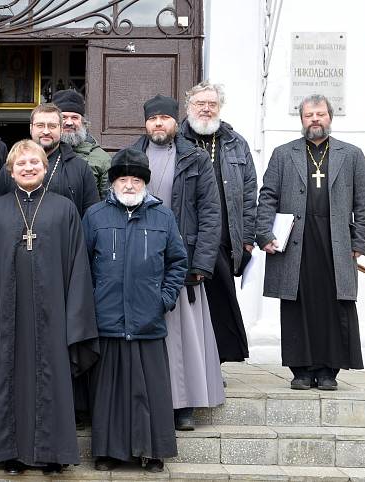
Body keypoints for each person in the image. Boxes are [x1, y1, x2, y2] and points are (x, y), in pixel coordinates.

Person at [0, 139, 99, 476]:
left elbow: (78, 267)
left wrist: (74, 317)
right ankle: (9, 454)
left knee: (52, 379)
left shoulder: (64, 209)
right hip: (5, 317)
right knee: (7, 377)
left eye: (34, 162)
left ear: (45, 167)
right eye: (21, 164)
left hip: (53, 315)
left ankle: (53, 455)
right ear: (10, 171)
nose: (28, 168)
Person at [256, 94, 365, 390]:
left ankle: (328, 371)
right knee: (297, 304)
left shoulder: (352, 154)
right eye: (309, 115)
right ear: (302, 120)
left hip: (337, 243)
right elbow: (267, 196)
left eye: (320, 114)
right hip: (296, 242)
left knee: (334, 305)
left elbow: (364, 203)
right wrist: (264, 234)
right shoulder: (284, 154)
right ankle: (301, 371)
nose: (315, 120)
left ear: (330, 118)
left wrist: (360, 241)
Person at [83, 147, 187, 473]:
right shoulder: (95, 215)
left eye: (136, 179)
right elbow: (82, 266)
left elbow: (177, 262)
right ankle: (106, 452)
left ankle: (152, 452)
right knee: (109, 394)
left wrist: (164, 299)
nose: (129, 185)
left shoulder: (163, 216)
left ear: (145, 183)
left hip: (148, 320)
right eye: (123, 179)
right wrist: (92, 303)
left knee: (150, 392)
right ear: (113, 183)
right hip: (108, 319)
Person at [130, 95, 224, 430]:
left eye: (164, 118)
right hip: (138, 262)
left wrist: (201, 263)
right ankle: (149, 401)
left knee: (183, 337)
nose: (158, 124)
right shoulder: (130, 157)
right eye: (152, 118)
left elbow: (212, 215)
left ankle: (184, 405)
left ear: (175, 122)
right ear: (145, 123)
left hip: (180, 262)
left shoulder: (195, 159)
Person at [179, 81, 257, 365]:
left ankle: (215, 365)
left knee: (220, 303)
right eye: (200, 104)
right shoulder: (178, 140)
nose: (206, 109)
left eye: (212, 104)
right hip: (185, 237)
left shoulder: (237, 143)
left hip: (224, 238)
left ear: (219, 108)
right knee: (186, 305)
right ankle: (188, 365)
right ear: (189, 107)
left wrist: (247, 237)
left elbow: (249, 193)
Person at [0, 103, 99, 216]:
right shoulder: (11, 167)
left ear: (61, 129)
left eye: (52, 126)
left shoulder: (80, 168)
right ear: (31, 128)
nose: (46, 131)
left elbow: (92, 216)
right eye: (40, 125)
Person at [53, 89, 111, 199]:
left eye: (75, 117)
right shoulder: (41, 154)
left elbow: (107, 202)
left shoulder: (102, 159)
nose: (69, 122)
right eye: (63, 117)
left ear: (83, 122)